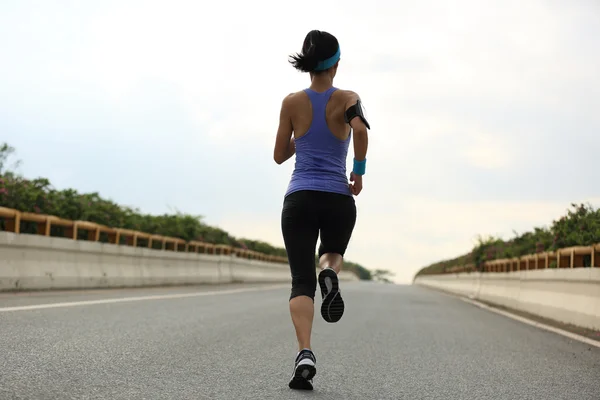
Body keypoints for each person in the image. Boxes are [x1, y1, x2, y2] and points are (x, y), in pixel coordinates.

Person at [273, 29, 370, 391]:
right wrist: (357, 172)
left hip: (299, 199)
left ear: (309, 64)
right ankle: (329, 273)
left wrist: (303, 138)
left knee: (300, 281)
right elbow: (360, 131)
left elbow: (280, 154)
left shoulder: (291, 102)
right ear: (337, 63)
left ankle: (305, 354)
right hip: (337, 198)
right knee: (330, 255)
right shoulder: (348, 98)